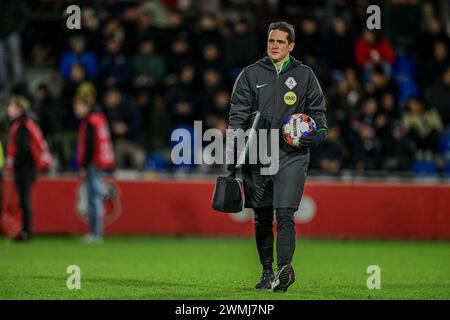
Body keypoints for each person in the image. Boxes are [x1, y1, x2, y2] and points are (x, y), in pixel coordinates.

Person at [226, 22, 328, 292]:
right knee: (261, 216)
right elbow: (237, 115)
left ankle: (284, 270)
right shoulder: (250, 74)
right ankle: (267, 272)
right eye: (271, 40)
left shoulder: (305, 75)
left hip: (292, 154)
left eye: (281, 42)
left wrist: (318, 134)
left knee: (285, 213)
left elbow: (318, 116)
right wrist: (234, 147)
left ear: (291, 46)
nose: (274, 45)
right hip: (258, 151)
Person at [5, 95, 52, 241]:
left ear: (19, 109)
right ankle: (25, 230)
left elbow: (23, 149)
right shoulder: (26, 124)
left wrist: (14, 165)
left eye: (12, 107)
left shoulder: (22, 125)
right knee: (24, 199)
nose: (9, 110)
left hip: (25, 168)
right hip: (28, 168)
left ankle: (26, 232)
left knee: (24, 199)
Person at [74, 95, 114, 243]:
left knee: (94, 198)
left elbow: (89, 146)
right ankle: (94, 232)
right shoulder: (98, 120)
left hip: (93, 164)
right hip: (98, 163)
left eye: (79, 106)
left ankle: (95, 233)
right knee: (93, 198)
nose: (76, 110)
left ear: (87, 107)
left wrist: (84, 165)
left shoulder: (90, 122)